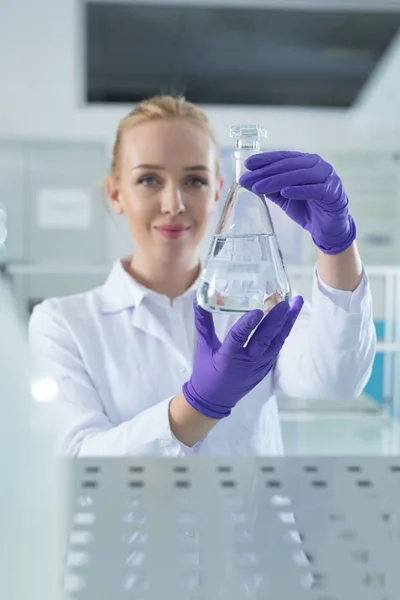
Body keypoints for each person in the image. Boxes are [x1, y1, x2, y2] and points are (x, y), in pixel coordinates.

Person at [29, 95, 376, 457]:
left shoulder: (258, 299)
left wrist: (337, 245)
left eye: (195, 181)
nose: (174, 204)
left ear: (217, 192)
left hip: (255, 515)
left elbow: (338, 378)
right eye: (149, 179)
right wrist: (198, 406)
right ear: (116, 194)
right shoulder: (62, 323)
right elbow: (76, 462)